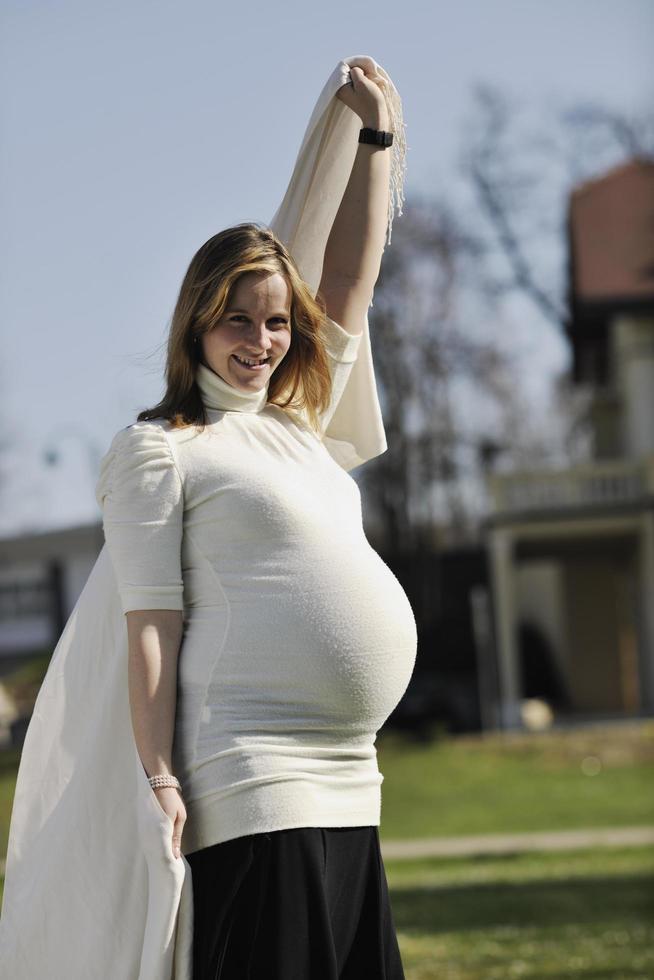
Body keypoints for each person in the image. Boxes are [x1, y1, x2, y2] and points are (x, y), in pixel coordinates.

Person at [0, 55, 416, 979]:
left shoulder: (300, 421)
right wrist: (159, 776)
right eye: (237, 320)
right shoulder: (161, 450)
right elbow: (150, 627)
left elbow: (349, 279)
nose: (260, 342)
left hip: (351, 778)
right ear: (196, 322)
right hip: (252, 776)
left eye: (274, 323)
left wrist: (375, 140)